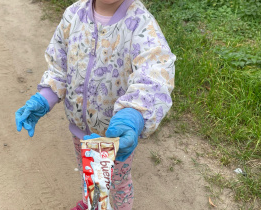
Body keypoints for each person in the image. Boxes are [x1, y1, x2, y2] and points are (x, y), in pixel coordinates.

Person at [15, 0, 176, 209]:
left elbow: (155, 74)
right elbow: (59, 65)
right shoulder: (74, 15)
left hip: (117, 135)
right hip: (80, 129)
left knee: (118, 183)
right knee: (90, 172)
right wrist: (44, 97)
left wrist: (133, 114)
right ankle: (92, 204)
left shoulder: (140, 23)